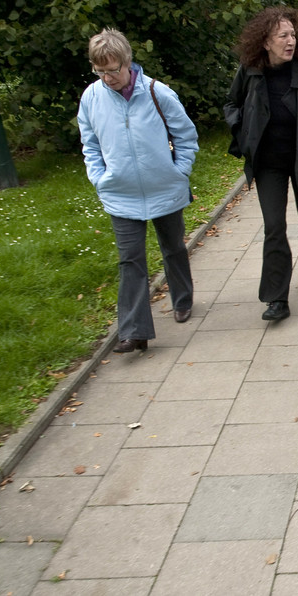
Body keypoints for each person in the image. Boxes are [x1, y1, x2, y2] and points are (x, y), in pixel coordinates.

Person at [78, 28, 198, 353]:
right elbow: (89, 143)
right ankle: (134, 330)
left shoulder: (158, 93)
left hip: (165, 188)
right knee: (130, 259)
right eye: (100, 71)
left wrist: (179, 171)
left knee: (172, 246)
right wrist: (99, 176)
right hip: (120, 194)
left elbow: (186, 136)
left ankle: (182, 299)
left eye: (112, 69)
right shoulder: (91, 98)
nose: (107, 77)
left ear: (127, 62)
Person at [225, 6, 298, 322]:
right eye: (282, 36)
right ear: (265, 42)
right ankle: (277, 299)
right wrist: (243, 130)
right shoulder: (250, 71)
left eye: (292, 35)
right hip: (268, 163)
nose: (290, 41)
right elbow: (231, 104)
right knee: (274, 226)